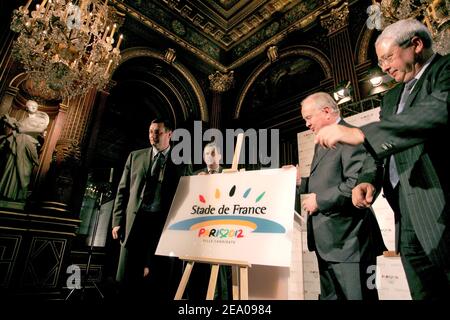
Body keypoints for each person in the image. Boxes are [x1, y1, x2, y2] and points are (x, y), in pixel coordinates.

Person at [314, 19, 450, 300]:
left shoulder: (444, 70)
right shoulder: (391, 99)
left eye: (388, 57)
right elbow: (381, 151)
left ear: (416, 45)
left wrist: (361, 134)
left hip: (440, 208)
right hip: (406, 214)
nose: (384, 67)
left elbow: (437, 112)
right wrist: (367, 180)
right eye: (380, 61)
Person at [297, 92, 385, 300]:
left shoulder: (348, 136)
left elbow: (356, 183)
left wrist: (319, 201)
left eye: (308, 118)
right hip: (328, 244)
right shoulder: (322, 142)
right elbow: (327, 182)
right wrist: (301, 182)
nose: (307, 124)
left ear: (326, 111)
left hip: (350, 244)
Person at [111, 118, 191, 300]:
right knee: (127, 278)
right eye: (150, 131)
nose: (153, 136)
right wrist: (117, 222)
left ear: (169, 134)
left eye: (158, 132)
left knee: (159, 279)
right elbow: (122, 191)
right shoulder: (135, 156)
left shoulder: (181, 163)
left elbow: (186, 196)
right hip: (135, 222)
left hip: (162, 225)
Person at [188, 142, 231, 300]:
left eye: (212, 153)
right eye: (206, 153)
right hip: (201, 233)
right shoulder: (195, 175)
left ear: (219, 156)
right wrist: (197, 185)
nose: (209, 156)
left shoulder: (229, 175)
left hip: (223, 232)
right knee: (200, 277)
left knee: (220, 278)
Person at [0, 114, 39, 201]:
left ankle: (16, 196)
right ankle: (6, 194)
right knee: (10, 174)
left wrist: (36, 160)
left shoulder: (27, 138)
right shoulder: (15, 136)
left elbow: (33, 153)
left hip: (23, 163)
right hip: (12, 162)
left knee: (20, 177)